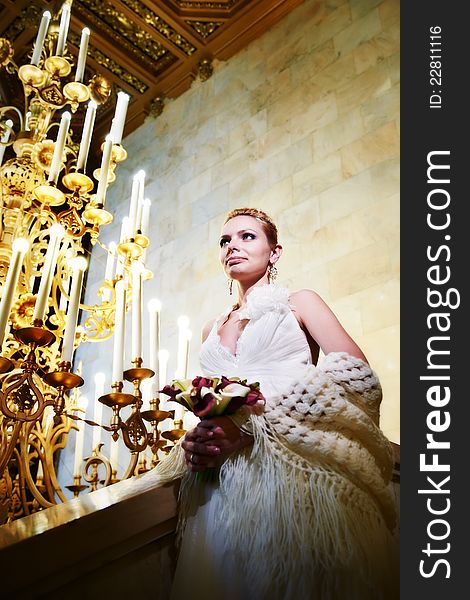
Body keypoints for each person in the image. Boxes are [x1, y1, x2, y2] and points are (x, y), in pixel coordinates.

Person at [153, 208, 399, 599]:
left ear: (275, 251)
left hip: (288, 472)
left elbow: (356, 378)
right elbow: (217, 405)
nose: (232, 245)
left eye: (247, 236)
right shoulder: (209, 329)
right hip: (219, 485)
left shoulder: (300, 302)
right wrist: (196, 441)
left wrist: (255, 428)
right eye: (225, 240)